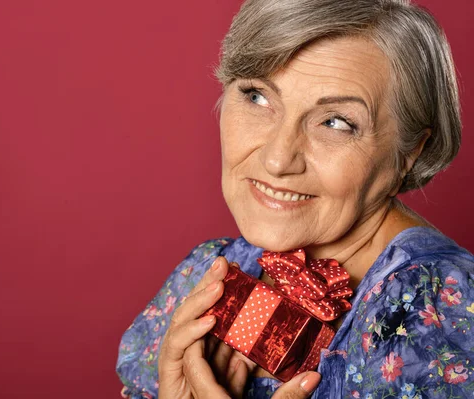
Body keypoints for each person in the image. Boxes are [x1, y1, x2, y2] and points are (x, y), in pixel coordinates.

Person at [116, 0, 473, 397]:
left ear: (410, 154)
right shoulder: (211, 271)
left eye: (336, 123)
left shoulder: (437, 309)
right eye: (257, 96)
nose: (277, 159)